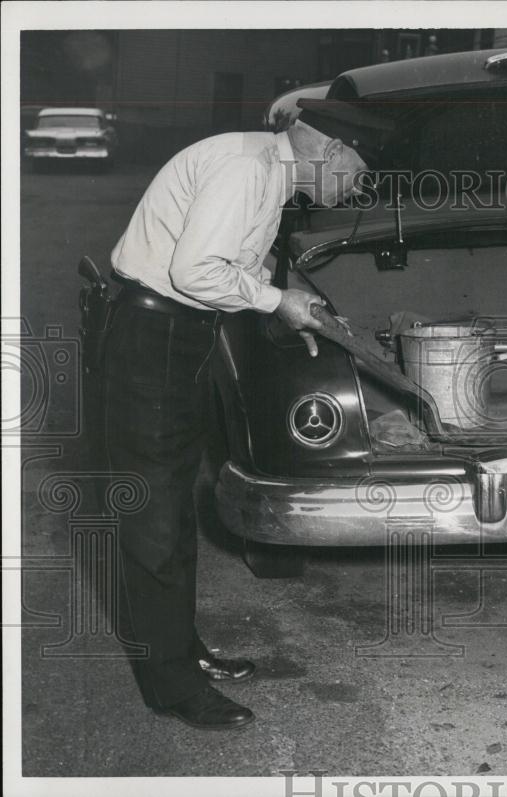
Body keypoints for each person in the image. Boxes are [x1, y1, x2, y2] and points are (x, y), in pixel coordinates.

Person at [97, 99, 391, 730]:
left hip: (184, 335)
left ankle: (180, 649)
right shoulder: (244, 169)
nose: (358, 184)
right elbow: (195, 269)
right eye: (357, 169)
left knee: (174, 505)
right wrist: (273, 300)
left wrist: (289, 298)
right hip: (156, 338)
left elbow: (234, 260)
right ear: (327, 151)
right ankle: (170, 686)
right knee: (154, 513)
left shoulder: (266, 170)